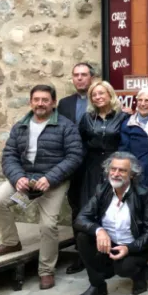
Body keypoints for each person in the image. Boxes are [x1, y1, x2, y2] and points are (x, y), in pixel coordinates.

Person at [0, 85, 83, 290]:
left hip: (53, 181)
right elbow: (9, 155)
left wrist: (50, 178)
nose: (40, 103)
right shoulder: (20, 125)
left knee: (48, 225)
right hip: (24, 177)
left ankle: (46, 270)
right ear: (31, 102)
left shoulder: (66, 126)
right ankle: (11, 241)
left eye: (45, 100)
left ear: (53, 103)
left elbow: (74, 156)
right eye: (36, 99)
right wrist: (17, 177)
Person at [73, 152, 148, 295]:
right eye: (113, 169)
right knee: (83, 237)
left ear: (132, 174)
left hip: (133, 248)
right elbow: (81, 218)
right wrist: (99, 231)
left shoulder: (144, 194)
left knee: (124, 268)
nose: (116, 174)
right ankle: (98, 286)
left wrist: (129, 248)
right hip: (108, 244)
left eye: (122, 170)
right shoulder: (102, 190)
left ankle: (139, 277)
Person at [119, 87, 148, 280]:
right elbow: (123, 151)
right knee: (136, 222)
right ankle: (137, 260)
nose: (143, 104)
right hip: (137, 180)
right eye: (140, 100)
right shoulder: (128, 124)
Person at [57, 62, 96, 275]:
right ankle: (81, 255)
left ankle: (101, 254)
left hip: (97, 163)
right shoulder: (64, 104)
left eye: (84, 75)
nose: (80, 78)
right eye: (76, 75)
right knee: (77, 208)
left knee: (99, 207)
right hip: (74, 165)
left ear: (92, 78)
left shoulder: (100, 97)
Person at [78, 81, 129, 226]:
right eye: (94, 95)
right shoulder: (87, 117)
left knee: (113, 201)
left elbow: (126, 142)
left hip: (115, 164)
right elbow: (80, 141)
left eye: (101, 93)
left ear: (110, 95)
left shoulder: (122, 116)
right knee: (90, 201)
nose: (97, 97)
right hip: (92, 165)